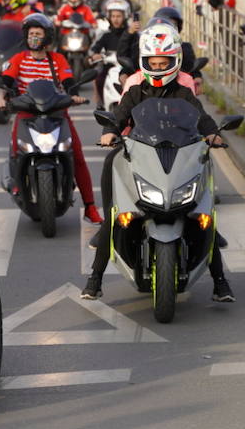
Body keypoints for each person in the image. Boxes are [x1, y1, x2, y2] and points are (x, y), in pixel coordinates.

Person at [82, 22, 232, 302]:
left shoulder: (184, 87)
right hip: (135, 151)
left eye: (165, 62)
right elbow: (119, 115)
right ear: (144, 61)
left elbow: (200, 116)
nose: (159, 67)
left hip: (180, 152)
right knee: (115, 217)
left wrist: (212, 134)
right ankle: (95, 279)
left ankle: (220, 282)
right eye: (154, 61)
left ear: (175, 61)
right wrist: (109, 133)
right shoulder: (136, 86)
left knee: (204, 215)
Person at [0, 13, 100, 223]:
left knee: (76, 156)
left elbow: (68, 80)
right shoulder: (18, 59)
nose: (34, 37)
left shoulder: (58, 59)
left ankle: (90, 207)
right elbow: (5, 81)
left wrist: (74, 95)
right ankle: (16, 184)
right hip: (26, 114)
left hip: (57, 113)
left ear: (47, 37)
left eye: (38, 34)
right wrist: (0, 97)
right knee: (16, 151)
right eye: (31, 33)